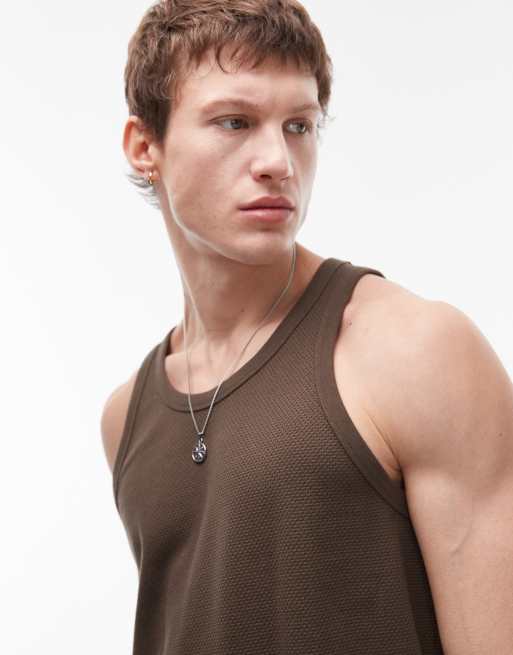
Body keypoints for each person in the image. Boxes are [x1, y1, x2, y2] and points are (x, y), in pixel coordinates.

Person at [101, 1, 513, 653]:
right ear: (144, 146)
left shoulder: (413, 351)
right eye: (234, 121)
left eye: (299, 125)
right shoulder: (127, 417)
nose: (278, 160)